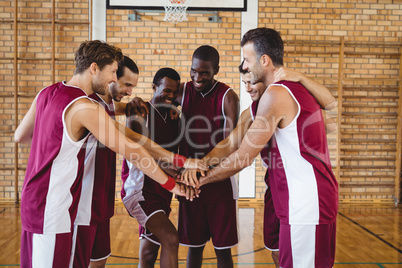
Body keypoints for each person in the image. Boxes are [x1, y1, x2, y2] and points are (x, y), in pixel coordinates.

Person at [14, 40, 206, 268]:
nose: (115, 78)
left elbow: (21, 136)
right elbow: (133, 150)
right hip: (52, 206)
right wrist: (172, 186)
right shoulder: (84, 106)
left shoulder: (47, 92)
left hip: (37, 200)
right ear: (94, 68)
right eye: (114, 72)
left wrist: (57, 149)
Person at [193, 28, 338, 268]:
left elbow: (242, 157)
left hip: (306, 202)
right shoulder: (273, 98)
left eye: (247, 60)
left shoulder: (278, 94)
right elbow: (230, 144)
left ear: (264, 60)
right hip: (295, 198)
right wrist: (198, 165)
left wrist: (199, 180)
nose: (245, 66)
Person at [121, 67, 194, 268]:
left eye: (174, 92)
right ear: (154, 87)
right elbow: (142, 156)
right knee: (170, 238)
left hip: (163, 190)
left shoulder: (174, 118)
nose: (171, 96)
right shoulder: (139, 111)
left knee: (149, 252)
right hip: (140, 191)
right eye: (166, 91)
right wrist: (180, 175)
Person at [177, 45, 240, 268]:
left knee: (223, 251)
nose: (197, 77)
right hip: (188, 182)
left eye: (204, 72)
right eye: (194, 71)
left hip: (219, 182)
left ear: (216, 70)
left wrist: (202, 171)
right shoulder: (182, 91)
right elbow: (156, 110)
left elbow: (230, 144)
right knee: (193, 248)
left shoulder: (228, 97)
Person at [74, 55, 140, 268]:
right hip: (82, 204)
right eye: (127, 84)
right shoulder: (90, 106)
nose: (130, 92)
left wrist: (131, 106)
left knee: (99, 261)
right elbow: (133, 144)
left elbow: (115, 108)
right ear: (111, 77)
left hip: (101, 201)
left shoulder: (107, 103)